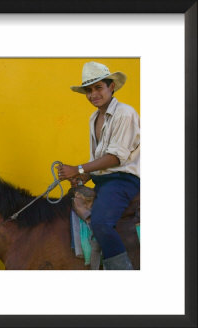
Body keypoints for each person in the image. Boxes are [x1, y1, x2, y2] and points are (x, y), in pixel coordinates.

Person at [57, 61, 140, 270]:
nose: (93, 94)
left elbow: (115, 158)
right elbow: (101, 159)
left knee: (101, 223)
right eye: (89, 90)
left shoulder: (125, 113)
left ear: (111, 87)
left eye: (98, 87)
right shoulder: (94, 117)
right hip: (105, 181)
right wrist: (84, 177)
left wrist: (79, 169)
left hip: (123, 181)